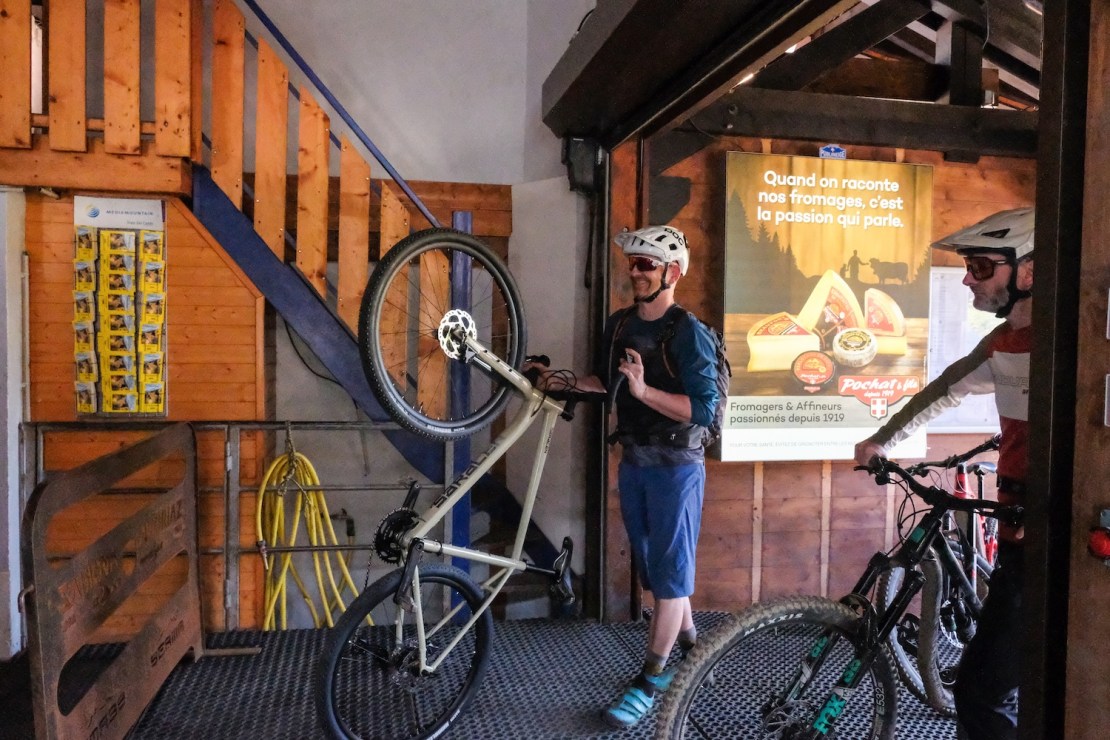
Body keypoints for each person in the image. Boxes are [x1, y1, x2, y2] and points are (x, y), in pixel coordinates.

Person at [854, 207, 1034, 740]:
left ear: (1029, 271)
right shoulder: (1003, 343)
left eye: (981, 267)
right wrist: (882, 439)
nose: (967, 279)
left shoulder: (1075, 343)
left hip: (1048, 536)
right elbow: (944, 390)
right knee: (994, 679)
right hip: (1016, 525)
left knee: (983, 688)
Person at [531, 225, 719, 728]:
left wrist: (644, 393)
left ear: (672, 272)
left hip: (677, 467)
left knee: (670, 578)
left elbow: (704, 409)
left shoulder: (689, 333)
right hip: (635, 461)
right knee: (661, 572)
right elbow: (603, 381)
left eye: (646, 265)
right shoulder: (619, 325)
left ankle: (649, 681)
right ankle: (695, 654)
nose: (635, 273)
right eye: (632, 264)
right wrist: (555, 381)